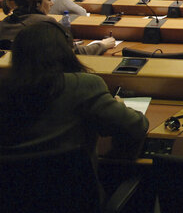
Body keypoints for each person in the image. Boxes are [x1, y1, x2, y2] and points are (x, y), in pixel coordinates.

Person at [0, 22, 149, 166]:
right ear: (67, 51)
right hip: (75, 190)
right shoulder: (84, 86)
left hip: (13, 189)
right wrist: (119, 106)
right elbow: (137, 126)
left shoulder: (7, 90)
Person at [0, 0, 114, 54]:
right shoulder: (46, 25)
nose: (52, 3)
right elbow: (72, 53)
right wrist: (102, 45)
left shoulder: (4, 23)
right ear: (37, 3)